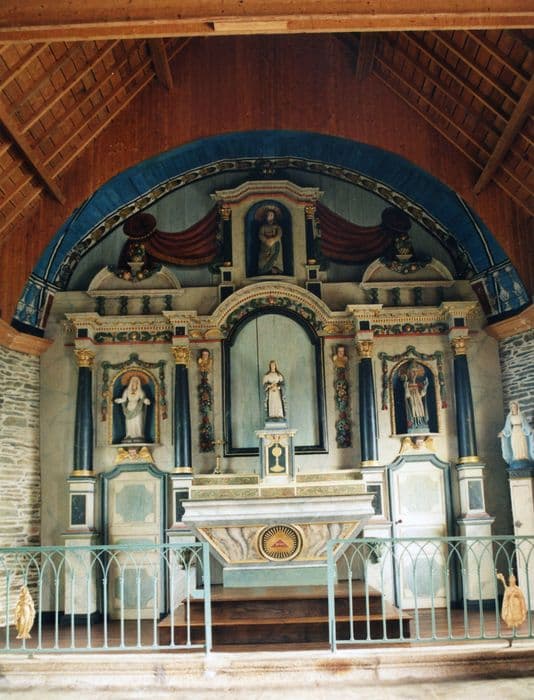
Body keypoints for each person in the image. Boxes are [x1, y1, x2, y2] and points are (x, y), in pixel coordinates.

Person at [114, 375, 151, 441]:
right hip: (129, 407)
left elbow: (143, 399)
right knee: (129, 422)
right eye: (133, 381)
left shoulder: (140, 391)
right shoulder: (127, 391)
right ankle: (129, 435)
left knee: (138, 421)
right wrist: (119, 400)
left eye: (136, 382)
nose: (134, 383)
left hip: (137, 408)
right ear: (131, 382)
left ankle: (138, 435)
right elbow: (124, 399)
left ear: (138, 383)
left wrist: (146, 401)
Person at [498, 400, 534, 465]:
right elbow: (507, 427)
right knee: (515, 445)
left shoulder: (521, 415)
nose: (513, 408)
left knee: (522, 444)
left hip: (521, 432)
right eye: (512, 407)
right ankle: (516, 458)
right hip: (514, 432)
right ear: (511, 408)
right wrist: (503, 432)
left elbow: (526, 425)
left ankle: (524, 458)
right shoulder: (509, 417)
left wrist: (531, 430)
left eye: (515, 406)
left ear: (517, 407)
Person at [402, 360, 429, 432]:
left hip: (419, 402)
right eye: (413, 371)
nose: (414, 374)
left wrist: (425, 386)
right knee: (413, 411)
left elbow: (422, 394)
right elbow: (407, 396)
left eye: (416, 371)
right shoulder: (407, 384)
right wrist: (406, 387)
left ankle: (421, 422)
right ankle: (414, 423)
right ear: (409, 373)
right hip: (412, 402)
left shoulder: (419, 384)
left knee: (420, 411)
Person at [257, 207, 284, 275]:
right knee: (263, 259)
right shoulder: (263, 227)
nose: (269, 216)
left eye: (271, 215)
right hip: (265, 246)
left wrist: (273, 240)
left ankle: (274, 268)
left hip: (275, 244)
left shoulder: (277, 227)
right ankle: (264, 270)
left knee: (275, 256)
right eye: (268, 215)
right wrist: (266, 240)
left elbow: (279, 234)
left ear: (274, 217)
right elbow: (260, 234)